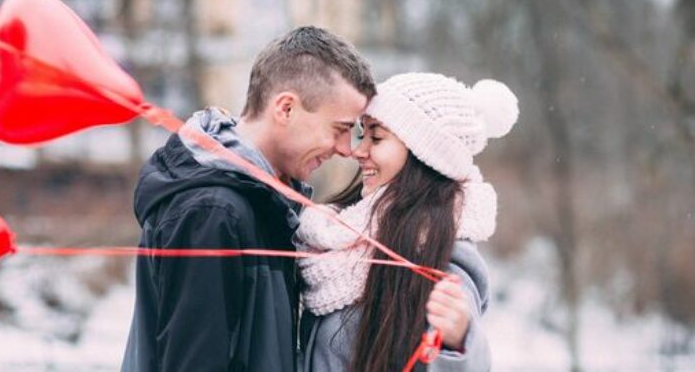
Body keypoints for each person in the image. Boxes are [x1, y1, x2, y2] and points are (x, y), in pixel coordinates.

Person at [121, 26, 376, 372]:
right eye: (340, 129)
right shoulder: (213, 212)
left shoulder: (262, 203)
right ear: (285, 109)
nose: (347, 149)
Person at [297, 72, 519, 372]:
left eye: (376, 137)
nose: (359, 151)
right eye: (362, 134)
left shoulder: (441, 255)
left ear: (424, 155)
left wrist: (458, 341)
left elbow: (467, 357)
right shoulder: (333, 236)